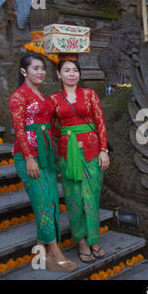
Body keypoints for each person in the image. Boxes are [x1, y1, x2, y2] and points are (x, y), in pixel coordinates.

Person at [8, 53, 77, 272]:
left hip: (46, 155)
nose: (40, 72)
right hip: (30, 157)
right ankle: (55, 252)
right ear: (23, 72)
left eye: (43, 68)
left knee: (50, 202)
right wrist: (28, 158)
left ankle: (40, 255)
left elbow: (50, 125)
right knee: (43, 204)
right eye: (35, 68)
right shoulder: (19, 96)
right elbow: (19, 129)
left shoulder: (41, 95)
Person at [49, 57, 110, 264]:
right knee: (74, 199)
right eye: (67, 70)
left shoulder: (90, 94)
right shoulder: (54, 100)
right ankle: (82, 241)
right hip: (68, 155)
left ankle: (94, 239)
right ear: (59, 74)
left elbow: (100, 122)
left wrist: (104, 150)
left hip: (93, 153)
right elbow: (50, 126)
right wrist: (68, 134)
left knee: (91, 198)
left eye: (75, 70)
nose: (72, 74)